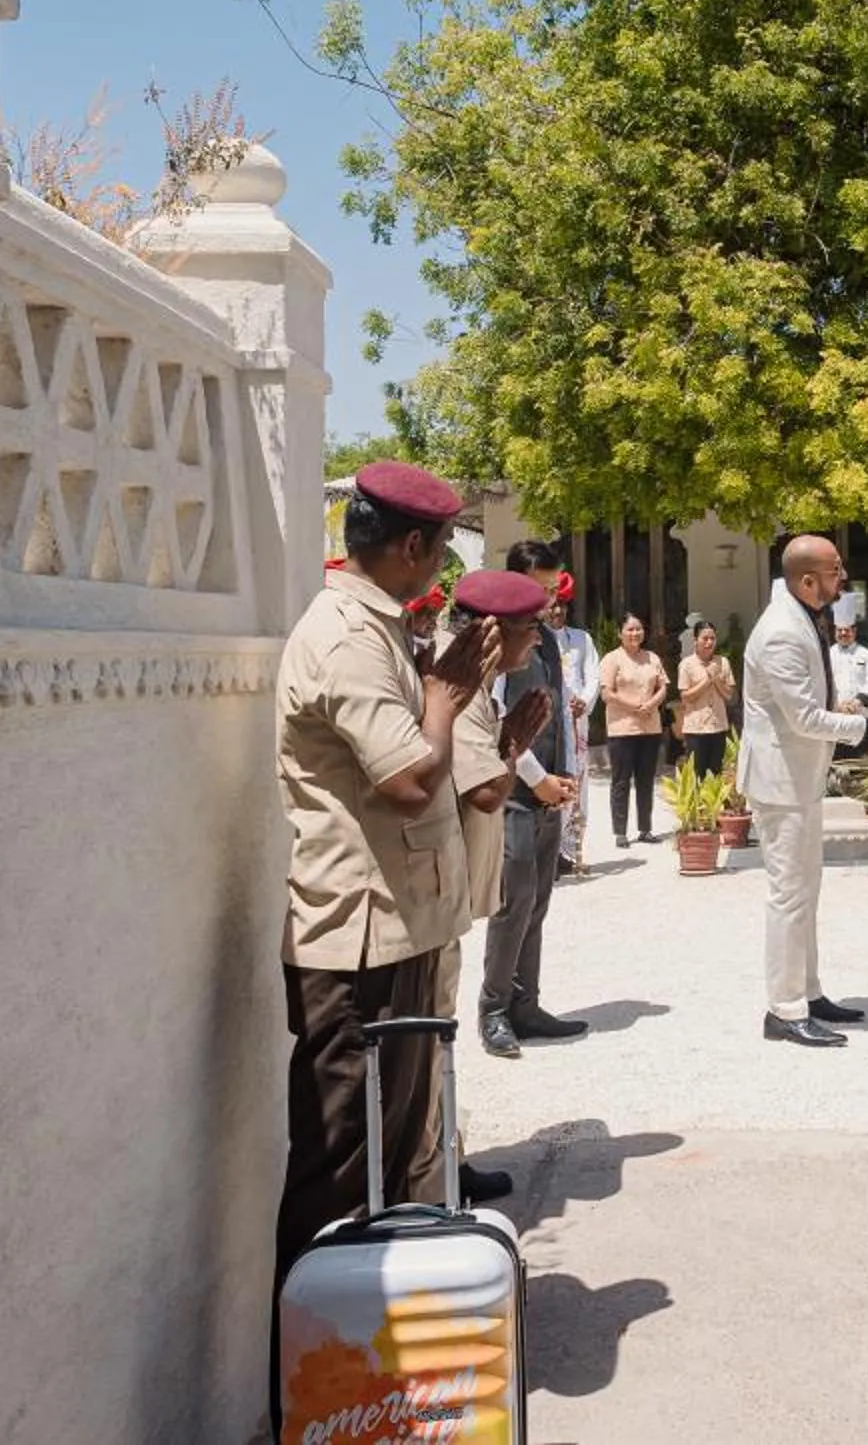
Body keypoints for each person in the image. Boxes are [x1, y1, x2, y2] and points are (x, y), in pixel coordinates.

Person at [273, 461, 498, 1282]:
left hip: (398, 937)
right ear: (412, 544)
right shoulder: (344, 637)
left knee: (390, 1177)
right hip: (358, 953)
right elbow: (407, 783)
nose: (443, 567)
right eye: (442, 550)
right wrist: (443, 699)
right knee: (339, 1187)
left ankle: (366, 1385)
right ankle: (311, 1397)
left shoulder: (380, 626)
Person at [431, 570, 557, 1207]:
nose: (537, 641)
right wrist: (514, 748)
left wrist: (509, 744)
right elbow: (484, 790)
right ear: (493, 634)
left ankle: (445, 1159)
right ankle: (433, 1173)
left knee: (434, 1044)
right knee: (427, 1041)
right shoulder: (470, 692)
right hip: (426, 892)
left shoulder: (480, 689)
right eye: (530, 629)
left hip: (443, 891)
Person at [740, 535, 868, 1048]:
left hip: (798, 778)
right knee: (788, 895)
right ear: (807, 580)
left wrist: (856, 718)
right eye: (835, 572)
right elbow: (802, 717)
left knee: (806, 891)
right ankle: (783, 1009)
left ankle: (808, 991)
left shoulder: (799, 617)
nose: (842, 580)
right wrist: (865, 728)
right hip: (780, 782)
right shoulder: (781, 629)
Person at [479, 539, 587, 1059]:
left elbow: (560, 712)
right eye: (540, 588)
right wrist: (537, 777)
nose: (549, 598)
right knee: (512, 903)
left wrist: (565, 775)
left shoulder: (547, 639)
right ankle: (494, 1011)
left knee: (539, 902)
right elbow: (497, 724)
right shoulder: (499, 638)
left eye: (553, 588)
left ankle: (527, 1005)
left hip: (549, 789)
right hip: (515, 791)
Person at [597, 615, 671, 845]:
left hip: (649, 727)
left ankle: (645, 829)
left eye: (638, 629)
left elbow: (663, 687)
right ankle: (620, 832)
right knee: (621, 781)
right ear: (620, 633)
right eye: (629, 629)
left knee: (646, 780)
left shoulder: (652, 657)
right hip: (622, 728)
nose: (635, 634)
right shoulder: (612, 659)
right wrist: (633, 706)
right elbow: (606, 693)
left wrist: (651, 704)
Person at [546, 572, 599, 879]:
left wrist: (585, 699)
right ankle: (549, 851)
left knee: (578, 783)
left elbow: (593, 676)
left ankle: (569, 852)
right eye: (553, 605)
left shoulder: (581, 639)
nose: (558, 612)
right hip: (550, 725)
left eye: (563, 606)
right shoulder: (537, 639)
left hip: (577, 724)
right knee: (554, 778)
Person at [676, 623, 736, 776]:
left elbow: (729, 695)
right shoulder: (686, 664)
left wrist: (716, 680)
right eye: (705, 638)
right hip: (696, 728)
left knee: (715, 774)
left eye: (713, 638)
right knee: (697, 774)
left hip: (718, 727)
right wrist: (706, 681)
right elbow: (685, 697)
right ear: (695, 640)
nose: (709, 642)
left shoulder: (723, 662)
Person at [826, 607, 868, 761]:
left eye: (847, 630)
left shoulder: (865, 654)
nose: (843, 633)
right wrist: (838, 705)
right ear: (835, 631)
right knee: (835, 760)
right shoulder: (828, 654)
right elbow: (825, 683)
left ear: (854, 631)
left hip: (859, 716)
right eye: (840, 630)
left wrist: (856, 704)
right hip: (835, 716)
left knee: (858, 761)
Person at [404, 582, 445, 665]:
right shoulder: (401, 634)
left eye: (434, 617)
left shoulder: (428, 645)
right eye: (428, 615)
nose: (432, 623)